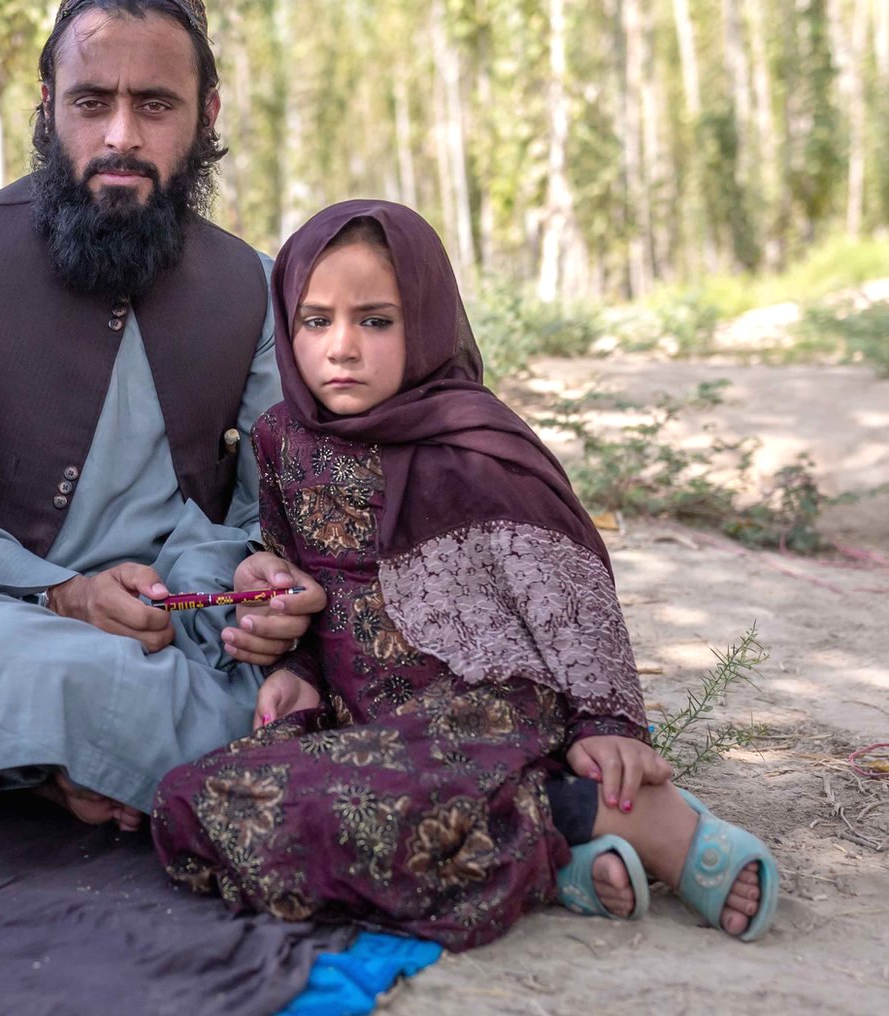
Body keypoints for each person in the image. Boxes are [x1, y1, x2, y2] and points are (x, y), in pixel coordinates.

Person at [151, 200, 778, 949]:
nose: (340, 348)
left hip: (488, 717)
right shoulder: (285, 441)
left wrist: (609, 723)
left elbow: (568, 590)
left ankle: (636, 817)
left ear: (427, 318)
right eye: (315, 321)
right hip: (373, 735)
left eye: (375, 320)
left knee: (381, 804)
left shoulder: (474, 440)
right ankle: (556, 844)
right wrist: (300, 666)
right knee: (195, 804)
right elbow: (298, 573)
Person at [0, 0, 326, 829]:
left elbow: (264, 507)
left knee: (289, 669)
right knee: (7, 669)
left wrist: (238, 590)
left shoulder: (249, 282)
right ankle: (254, 788)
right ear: (47, 104)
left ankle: (82, 770)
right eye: (92, 102)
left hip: (182, 628)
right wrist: (62, 593)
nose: (121, 136)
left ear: (208, 115)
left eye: (156, 105)